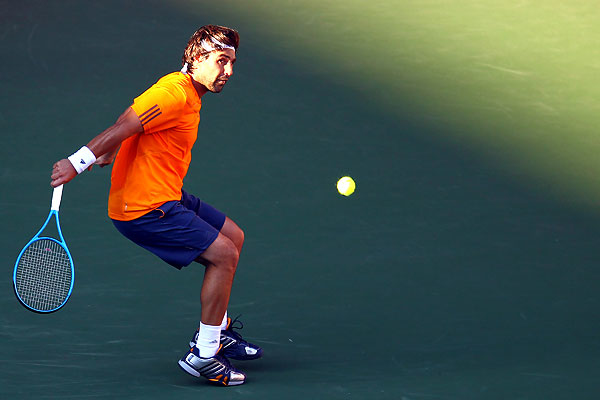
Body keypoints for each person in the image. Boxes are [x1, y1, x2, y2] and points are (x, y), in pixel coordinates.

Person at [50, 25, 261, 386]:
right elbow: (126, 126)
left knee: (233, 236)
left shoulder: (184, 90)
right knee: (224, 255)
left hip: (166, 193)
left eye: (232, 63)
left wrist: (113, 149)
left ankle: (218, 329)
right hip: (143, 208)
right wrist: (76, 162)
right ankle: (204, 355)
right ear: (198, 58)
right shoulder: (174, 93)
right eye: (221, 61)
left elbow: (131, 118)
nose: (228, 71)